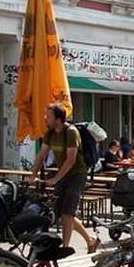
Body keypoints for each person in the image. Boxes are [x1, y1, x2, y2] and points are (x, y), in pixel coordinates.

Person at [29, 103, 99, 253]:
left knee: (67, 212)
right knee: (64, 213)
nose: (45, 119)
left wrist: (54, 179)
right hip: (63, 175)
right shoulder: (50, 133)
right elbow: (41, 155)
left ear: (58, 119)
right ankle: (90, 240)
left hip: (77, 174)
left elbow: (71, 159)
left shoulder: (71, 132)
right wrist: (33, 176)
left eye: (48, 117)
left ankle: (65, 248)